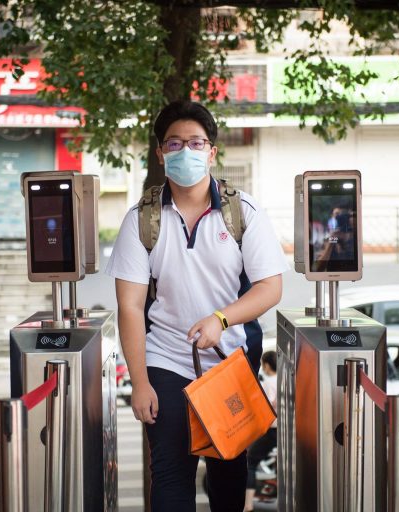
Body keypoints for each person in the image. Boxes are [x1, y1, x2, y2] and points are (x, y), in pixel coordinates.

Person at [106, 100, 287, 512]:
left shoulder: (243, 212)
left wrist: (221, 319)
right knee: (170, 474)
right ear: (159, 153)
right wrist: (140, 381)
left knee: (227, 473)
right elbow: (130, 306)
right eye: (174, 143)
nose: (184, 151)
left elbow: (269, 287)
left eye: (195, 142)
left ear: (212, 152)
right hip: (166, 360)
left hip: (230, 361)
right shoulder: (141, 220)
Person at [244, 351, 277, 512]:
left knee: (250, 462)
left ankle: (248, 504)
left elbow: (264, 407)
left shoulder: (267, 383)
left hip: (270, 430)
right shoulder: (283, 380)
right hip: (285, 431)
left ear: (266, 365)